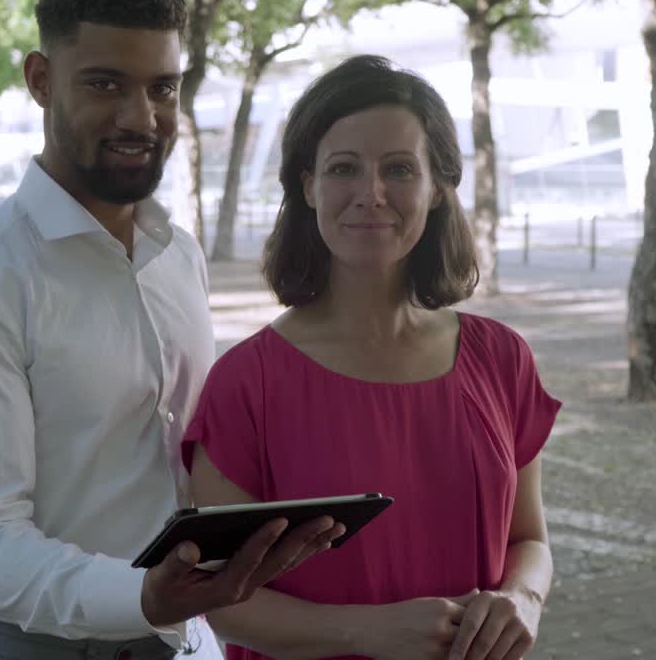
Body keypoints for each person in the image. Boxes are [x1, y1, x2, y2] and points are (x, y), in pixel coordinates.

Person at [0, 0, 343, 660]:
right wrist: (140, 594)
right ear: (40, 80)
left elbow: (187, 464)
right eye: (106, 84)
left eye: (162, 87)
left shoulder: (181, 257)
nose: (142, 117)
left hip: (190, 642)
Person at [182, 55, 560, 660]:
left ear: (438, 187)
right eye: (343, 168)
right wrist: (366, 632)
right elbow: (221, 598)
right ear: (307, 186)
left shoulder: (503, 359)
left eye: (399, 169)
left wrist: (523, 598)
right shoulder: (246, 383)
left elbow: (529, 540)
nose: (371, 194)